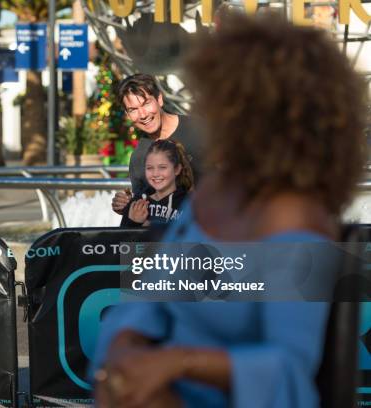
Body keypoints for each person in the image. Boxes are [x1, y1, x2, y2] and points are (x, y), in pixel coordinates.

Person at [92, 13, 367, 408]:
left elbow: (288, 368)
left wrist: (176, 365)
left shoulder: (296, 218)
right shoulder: (214, 194)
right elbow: (153, 295)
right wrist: (123, 347)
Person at [111, 73, 204, 216]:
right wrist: (128, 206)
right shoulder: (139, 157)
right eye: (133, 109)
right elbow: (150, 211)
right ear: (127, 115)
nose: (142, 115)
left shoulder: (199, 129)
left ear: (159, 99)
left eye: (146, 103)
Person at [121, 139, 193, 228]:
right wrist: (134, 223)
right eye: (150, 168)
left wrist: (150, 227)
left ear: (177, 169)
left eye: (162, 167)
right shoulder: (136, 203)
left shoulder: (190, 204)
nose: (155, 174)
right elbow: (121, 240)